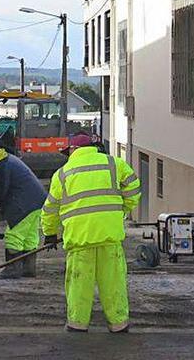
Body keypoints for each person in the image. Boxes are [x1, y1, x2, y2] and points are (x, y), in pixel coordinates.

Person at [41, 133, 142, 333]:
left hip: (80, 240)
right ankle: (119, 324)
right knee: (113, 284)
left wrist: (50, 233)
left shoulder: (62, 173)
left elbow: (50, 208)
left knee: (79, 284)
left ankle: (77, 324)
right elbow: (134, 188)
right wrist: (121, 210)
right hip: (109, 236)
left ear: (72, 150)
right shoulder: (114, 164)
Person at [0, 148, 48, 278]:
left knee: (14, 235)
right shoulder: (5, 160)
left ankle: (12, 269)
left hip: (25, 203)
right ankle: (28, 268)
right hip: (37, 200)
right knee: (29, 236)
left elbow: (2, 190)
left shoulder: (1, 166)